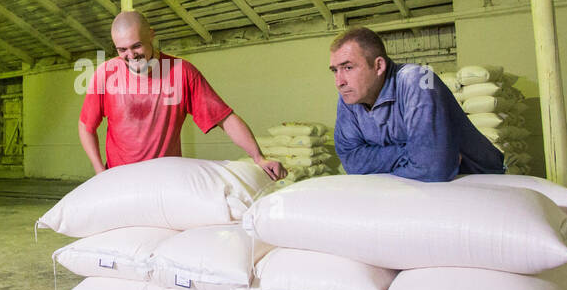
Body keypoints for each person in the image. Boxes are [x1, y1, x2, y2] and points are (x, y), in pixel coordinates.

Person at [78, 11, 285, 180]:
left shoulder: (181, 72)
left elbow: (225, 118)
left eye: (136, 46)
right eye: (122, 49)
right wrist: (99, 171)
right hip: (118, 178)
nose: (131, 56)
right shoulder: (105, 75)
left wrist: (259, 158)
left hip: (166, 179)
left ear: (151, 34)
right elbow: (86, 126)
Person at [329, 26, 504, 181]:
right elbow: (352, 162)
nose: (339, 81)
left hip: (476, 178)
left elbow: (432, 168)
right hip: (424, 182)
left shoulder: (420, 79)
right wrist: (411, 155)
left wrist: (427, 160)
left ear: (379, 66)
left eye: (348, 68)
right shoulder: (351, 96)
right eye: (335, 70)